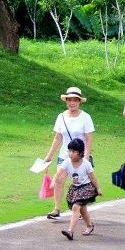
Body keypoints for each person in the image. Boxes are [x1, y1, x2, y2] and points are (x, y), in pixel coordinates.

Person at [43, 87, 95, 221]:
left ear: (79, 102)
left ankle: (82, 210)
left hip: (80, 157)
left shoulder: (85, 117)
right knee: (59, 180)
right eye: (69, 100)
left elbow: (89, 138)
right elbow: (58, 137)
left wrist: (86, 156)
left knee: (80, 184)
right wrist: (49, 156)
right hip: (65, 156)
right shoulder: (61, 117)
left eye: (75, 100)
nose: (72, 103)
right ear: (66, 101)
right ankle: (56, 209)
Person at [59, 138, 100, 239]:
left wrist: (98, 189)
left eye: (73, 151)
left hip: (86, 188)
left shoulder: (86, 164)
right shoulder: (67, 162)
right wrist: (53, 182)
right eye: (70, 151)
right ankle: (90, 225)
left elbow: (93, 178)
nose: (70, 153)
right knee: (82, 210)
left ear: (81, 153)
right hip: (75, 188)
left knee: (76, 207)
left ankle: (70, 231)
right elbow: (58, 173)